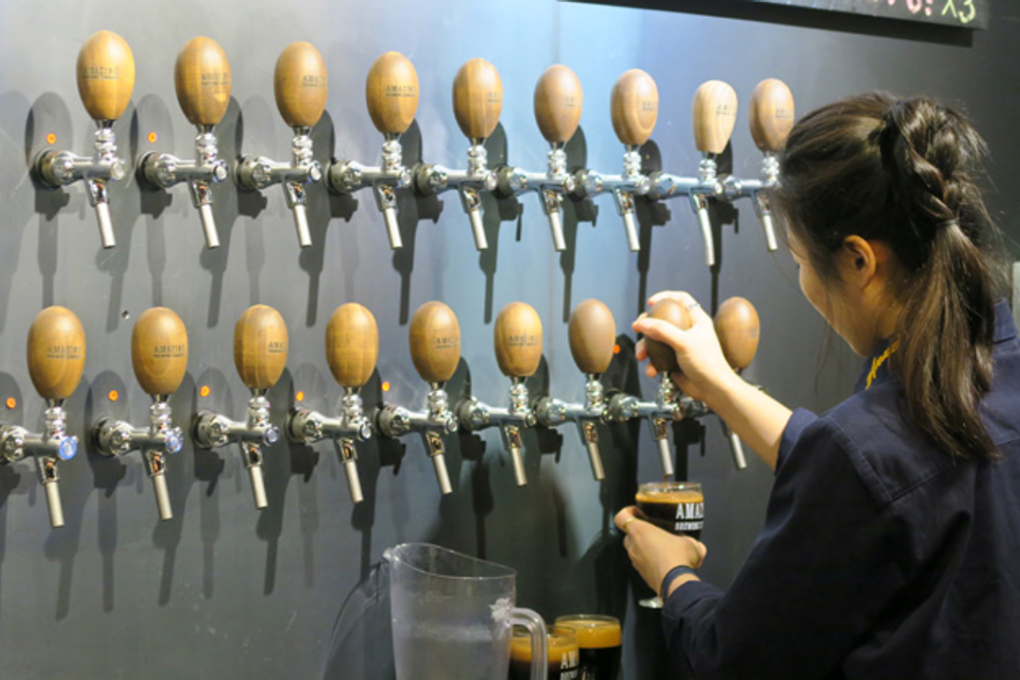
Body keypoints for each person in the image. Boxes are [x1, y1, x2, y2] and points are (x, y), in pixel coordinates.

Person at [614, 92, 1020, 679]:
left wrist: (674, 576)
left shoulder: (871, 445)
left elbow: (733, 659)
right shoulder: (990, 376)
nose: (804, 279)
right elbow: (887, 483)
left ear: (859, 261)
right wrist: (723, 386)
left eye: (803, 260)